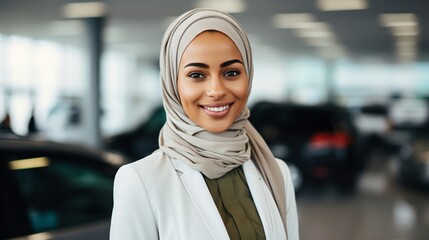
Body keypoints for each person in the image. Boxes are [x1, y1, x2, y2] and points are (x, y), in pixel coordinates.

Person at [110, 8, 299, 240]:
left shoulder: (276, 172)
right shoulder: (139, 181)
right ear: (172, 82)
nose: (217, 91)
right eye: (197, 75)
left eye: (231, 72)